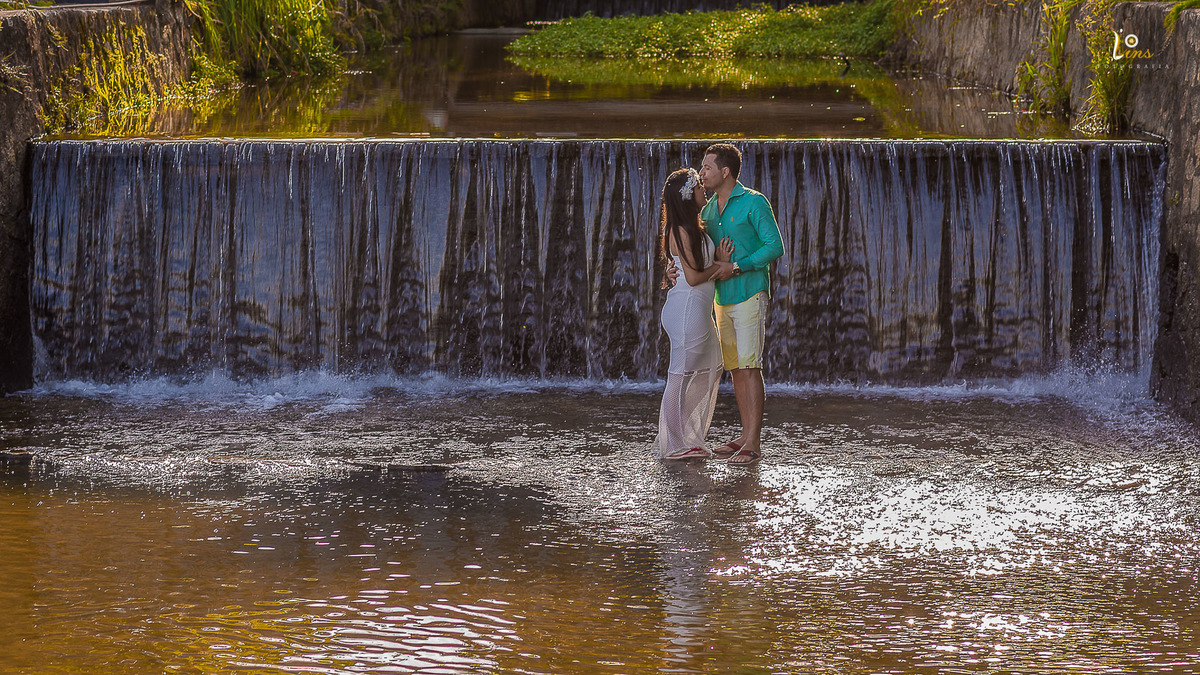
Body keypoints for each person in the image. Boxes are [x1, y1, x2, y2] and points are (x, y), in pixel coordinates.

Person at [698, 143, 784, 465]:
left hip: (750, 292)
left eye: (707, 168)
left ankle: (753, 442)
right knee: (735, 369)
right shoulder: (707, 211)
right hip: (722, 297)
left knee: (750, 366)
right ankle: (744, 434)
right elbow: (694, 248)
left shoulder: (754, 202)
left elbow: (775, 246)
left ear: (725, 172)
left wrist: (736, 265)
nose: (702, 173)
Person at [653, 168, 736, 461]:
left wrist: (715, 264)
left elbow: (690, 269)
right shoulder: (681, 230)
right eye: (700, 187)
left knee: (713, 366)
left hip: (697, 309)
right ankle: (674, 443)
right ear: (688, 196)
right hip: (686, 309)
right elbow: (692, 277)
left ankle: (686, 436)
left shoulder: (694, 228)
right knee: (680, 374)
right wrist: (721, 265)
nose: (705, 190)